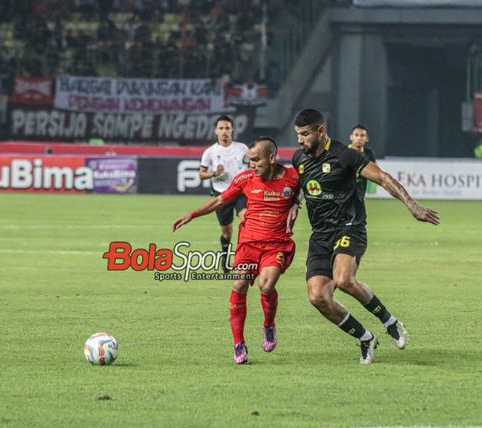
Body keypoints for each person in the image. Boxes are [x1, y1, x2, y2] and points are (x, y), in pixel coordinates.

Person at [288, 109, 440, 364]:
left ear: (320, 131)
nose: (300, 140)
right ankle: (365, 337)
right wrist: (295, 202)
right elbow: (302, 184)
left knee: (344, 279)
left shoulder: (345, 155)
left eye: (304, 134)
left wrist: (412, 205)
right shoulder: (299, 159)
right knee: (317, 297)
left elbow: (382, 177)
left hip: (350, 226)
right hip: (320, 235)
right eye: (298, 135)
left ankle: (389, 320)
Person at [174, 137, 300, 364]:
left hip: (276, 244)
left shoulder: (292, 177)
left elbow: (307, 189)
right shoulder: (245, 179)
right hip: (248, 245)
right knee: (239, 284)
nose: (251, 165)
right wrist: (190, 215)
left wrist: (296, 202)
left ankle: (268, 324)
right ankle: (238, 343)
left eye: (256, 160)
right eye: (249, 160)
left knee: (267, 284)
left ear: (271, 158)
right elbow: (219, 201)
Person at [199, 115, 248, 272]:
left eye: (227, 128)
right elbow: (201, 174)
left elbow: (254, 164)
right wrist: (214, 174)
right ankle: (225, 258)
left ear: (232, 129)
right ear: (216, 131)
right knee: (227, 232)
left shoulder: (243, 148)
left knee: (246, 222)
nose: (224, 131)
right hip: (222, 195)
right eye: (221, 128)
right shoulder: (210, 152)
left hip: (241, 193)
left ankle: (244, 259)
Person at [348, 124, 377, 199]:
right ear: (351, 137)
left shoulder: (369, 154)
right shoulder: (343, 152)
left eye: (362, 135)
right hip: (343, 196)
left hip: (359, 195)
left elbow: (374, 172)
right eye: (356, 135)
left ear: (367, 138)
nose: (359, 138)